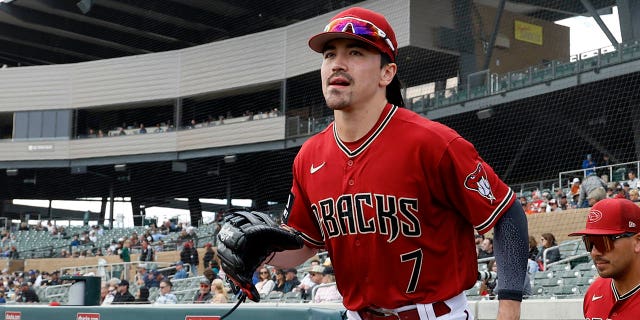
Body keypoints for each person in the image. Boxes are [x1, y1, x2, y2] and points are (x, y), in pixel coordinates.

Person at [268, 7, 528, 320]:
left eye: (355, 52)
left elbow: (507, 214)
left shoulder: (432, 143)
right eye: (329, 54)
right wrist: (259, 252)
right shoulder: (309, 156)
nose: (337, 63)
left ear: (386, 73)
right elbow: (304, 245)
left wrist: (509, 307)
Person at [568, 198, 640, 319]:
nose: (595, 252)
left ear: (637, 242)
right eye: (590, 242)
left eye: (603, 242)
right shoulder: (594, 290)